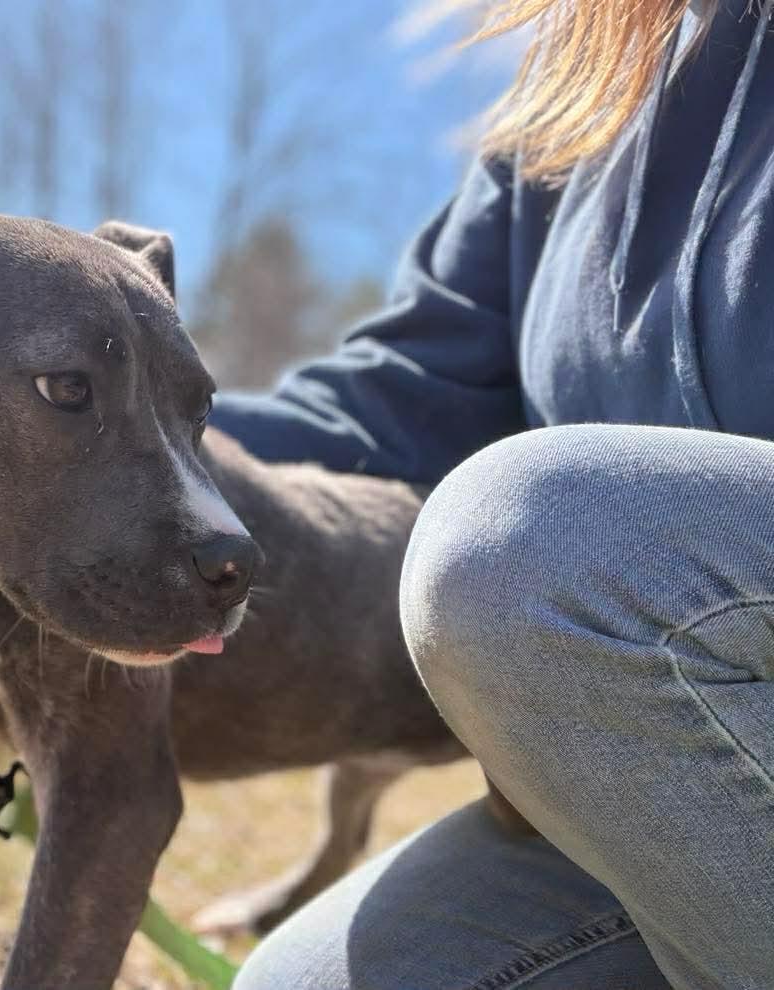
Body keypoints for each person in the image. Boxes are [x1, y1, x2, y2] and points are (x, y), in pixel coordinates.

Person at [208, 0, 774, 987]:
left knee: (542, 545)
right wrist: (81, 463)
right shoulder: (592, 81)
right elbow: (401, 409)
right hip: (708, 767)